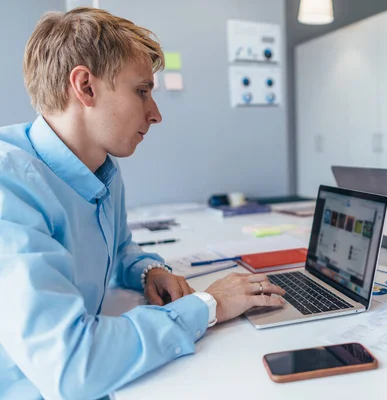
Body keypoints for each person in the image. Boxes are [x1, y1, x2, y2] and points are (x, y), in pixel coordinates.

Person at [0, 7, 286, 399]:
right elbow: (72, 366)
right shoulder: (8, 186)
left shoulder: (102, 168)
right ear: (85, 87)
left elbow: (117, 249)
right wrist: (210, 304)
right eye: (142, 91)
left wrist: (148, 271)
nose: (156, 114)